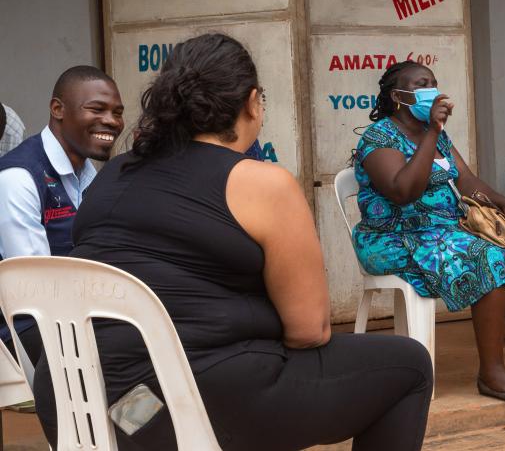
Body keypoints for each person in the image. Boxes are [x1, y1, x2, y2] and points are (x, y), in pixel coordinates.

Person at [32, 35, 433, 451]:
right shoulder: (262, 183)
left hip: (79, 403)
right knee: (409, 366)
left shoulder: (115, 173)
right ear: (252, 102)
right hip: (176, 409)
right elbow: (309, 331)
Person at [353, 60, 505, 404]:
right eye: (420, 84)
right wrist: (432, 132)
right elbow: (403, 190)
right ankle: (491, 372)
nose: (431, 90)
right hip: (395, 237)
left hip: (444, 229)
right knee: (488, 255)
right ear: (398, 96)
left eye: (433, 82)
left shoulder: (437, 136)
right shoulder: (379, 137)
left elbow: (465, 180)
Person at [0, 67, 124, 363]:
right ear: (58, 109)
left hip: (73, 315)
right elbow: (34, 289)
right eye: (97, 109)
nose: (111, 121)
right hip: (25, 330)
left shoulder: (85, 173)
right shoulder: (18, 177)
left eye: (117, 113)